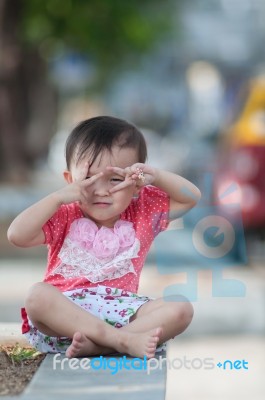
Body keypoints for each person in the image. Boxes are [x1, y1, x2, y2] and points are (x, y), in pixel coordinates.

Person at [8, 116, 201, 359]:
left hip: (123, 315)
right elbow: (16, 235)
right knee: (37, 295)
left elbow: (191, 196)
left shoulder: (142, 212)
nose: (101, 190)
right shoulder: (63, 213)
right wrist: (57, 197)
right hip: (65, 321)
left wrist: (157, 176)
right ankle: (120, 342)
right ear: (70, 180)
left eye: (115, 179)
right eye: (89, 179)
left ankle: (102, 345)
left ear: (136, 185)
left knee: (180, 307)